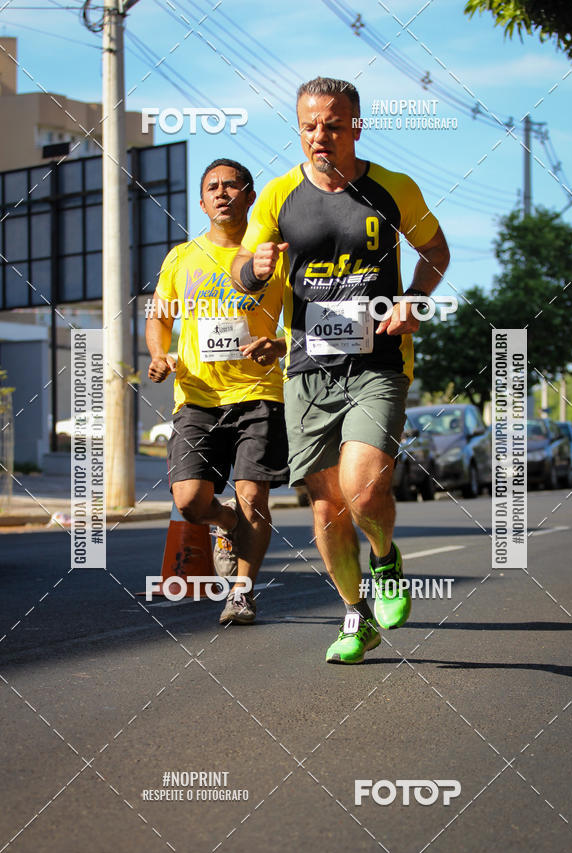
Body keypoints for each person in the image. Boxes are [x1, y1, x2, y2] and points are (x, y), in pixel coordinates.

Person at [232, 77, 450, 663]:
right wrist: (253, 266)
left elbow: (436, 251)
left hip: (378, 359)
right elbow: (242, 272)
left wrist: (413, 298)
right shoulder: (279, 195)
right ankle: (356, 616)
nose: (319, 136)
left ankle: (385, 557)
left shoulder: (393, 187)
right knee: (327, 506)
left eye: (332, 124)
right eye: (308, 125)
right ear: (298, 129)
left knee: (363, 484)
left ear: (355, 125)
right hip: (307, 367)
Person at [146, 158, 288, 625]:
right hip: (197, 396)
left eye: (233, 186)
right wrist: (159, 354)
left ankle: (242, 593)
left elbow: (304, 324)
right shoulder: (182, 257)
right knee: (189, 502)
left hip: (259, 392)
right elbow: (159, 317)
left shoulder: (275, 257)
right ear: (202, 201)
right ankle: (225, 524)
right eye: (213, 187)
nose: (222, 193)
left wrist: (280, 344)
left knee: (254, 497)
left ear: (250, 196)